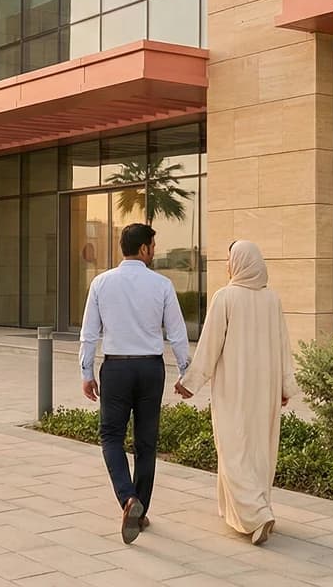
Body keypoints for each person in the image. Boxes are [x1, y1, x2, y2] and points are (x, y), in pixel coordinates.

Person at [174, 240, 301, 546]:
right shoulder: (272, 299)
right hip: (266, 390)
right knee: (257, 450)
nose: (228, 266)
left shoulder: (225, 297)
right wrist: (285, 386)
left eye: (231, 260)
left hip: (235, 388)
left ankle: (256, 514)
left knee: (233, 449)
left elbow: (209, 346)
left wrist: (190, 382)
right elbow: (284, 346)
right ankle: (238, 509)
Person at [80, 223, 190, 545]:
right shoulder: (162, 285)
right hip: (150, 369)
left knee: (111, 437)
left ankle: (127, 498)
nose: (155, 251)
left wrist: (86, 373)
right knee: (146, 441)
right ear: (143, 249)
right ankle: (139, 512)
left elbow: (89, 334)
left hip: (116, 369)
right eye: (153, 246)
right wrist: (186, 372)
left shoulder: (101, 283)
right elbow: (177, 333)